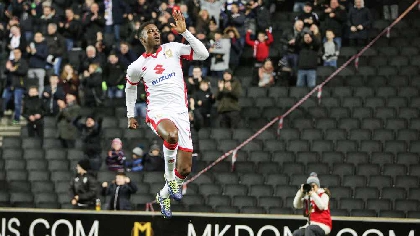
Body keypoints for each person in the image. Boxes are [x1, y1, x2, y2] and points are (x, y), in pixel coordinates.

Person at [125, 10, 209, 218]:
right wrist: (130, 114)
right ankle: (169, 177)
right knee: (170, 136)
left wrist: (186, 33)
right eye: (151, 31)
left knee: (187, 168)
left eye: (157, 30)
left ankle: (164, 194)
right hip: (158, 111)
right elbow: (130, 89)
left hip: (180, 111)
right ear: (142, 38)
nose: (156, 33)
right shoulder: (137, 66)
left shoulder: (173, 48)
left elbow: (203, 54)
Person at [3, 48, 28, 125]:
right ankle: (2, 116)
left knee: (17, 102)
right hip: (9, 85)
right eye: (14, 53)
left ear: (20, 53)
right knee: (3, 100)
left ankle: (16, 119)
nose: (16, 54)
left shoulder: (23, 62)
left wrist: (14, 70)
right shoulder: (11, 61)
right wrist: (8, 68)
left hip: (19, 86)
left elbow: (24, 71)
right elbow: (5, 71)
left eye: (17, 53)